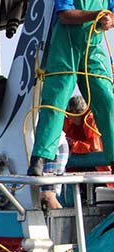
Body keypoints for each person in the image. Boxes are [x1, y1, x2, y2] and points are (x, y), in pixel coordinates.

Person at [28, 1, 114, 176]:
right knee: (56, 99)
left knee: (107, 99)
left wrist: (110, 19)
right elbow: (65, 15)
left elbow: (112, 12)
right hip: (65, 45)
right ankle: (40, 157)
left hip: (92, 46)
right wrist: (97, 14)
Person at [63, 95, 111, 174]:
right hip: (76, 170)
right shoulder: (69, 124)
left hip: (99, 168)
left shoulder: (91, 120)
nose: (68, 117)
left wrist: (73, 145)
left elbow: (94, 147)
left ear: (75, 112)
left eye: (69, 114)